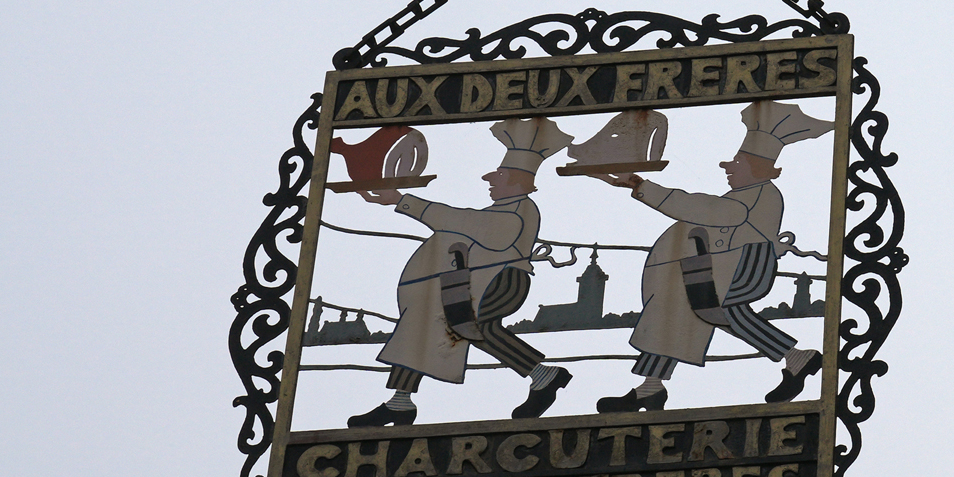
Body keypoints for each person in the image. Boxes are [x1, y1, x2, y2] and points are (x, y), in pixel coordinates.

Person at [591, 100, 837, 411]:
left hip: (743, 268)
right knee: (673, 310)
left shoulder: (758, 195)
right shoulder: (744, 194)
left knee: (719, 309)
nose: (727, 167)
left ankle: (797, 356)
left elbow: (704, 209)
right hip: (713, 268)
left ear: (757, 168)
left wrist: (641, 185)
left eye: (737, 162)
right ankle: (651, 386)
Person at [348, 117, 575, 428]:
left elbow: (468, 223)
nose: (489, 180)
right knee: (423, 320)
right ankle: (400, 401)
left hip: (502, 283)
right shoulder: (502, 209)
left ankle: (544, 375)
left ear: (517, 181)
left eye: (498, 176)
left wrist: (404, 201)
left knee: (473, 324)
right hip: (473, 282)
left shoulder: (520, 209)